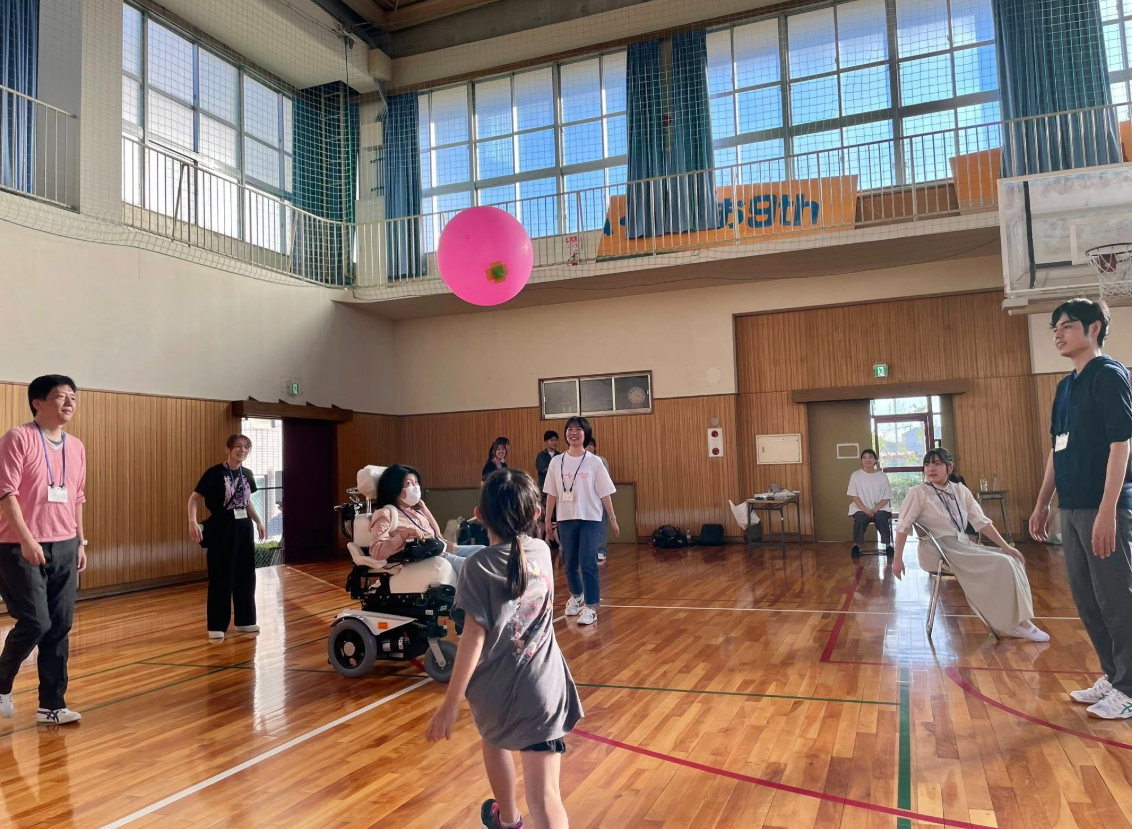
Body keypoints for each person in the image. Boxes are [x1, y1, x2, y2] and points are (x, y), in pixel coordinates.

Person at [426, 469, 582, 829]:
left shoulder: (477, 567)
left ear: (479, 516)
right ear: (536, 513)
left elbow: (472, 638)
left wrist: (450, 704)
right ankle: (508, 817)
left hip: (494, 692)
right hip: (544, 690)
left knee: (492, 738)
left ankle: (509, 819)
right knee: (545, 798)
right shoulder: (541, 551)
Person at [1031, 298, 1132, 720]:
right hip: (1071, 508)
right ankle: (1114, 675)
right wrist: (1043, 502)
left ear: (1094, 329)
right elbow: (1057, 449)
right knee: (1088, 599)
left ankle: (1129, 687)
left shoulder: (1109, 376)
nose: (1058, 333)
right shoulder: (1064, 387)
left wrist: (1108, 510)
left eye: (1068, 326)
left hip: (1103, 507)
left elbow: (1121, 444)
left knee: (1116, 598)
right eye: (1055, 327)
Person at [0, 375, 87, 725]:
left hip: (65, 543)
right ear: (38, 402)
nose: (69, 403)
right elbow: (6, 492)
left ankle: (52, 705)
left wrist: (80, 540)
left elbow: (77, 496)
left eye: (73, 398)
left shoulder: (76, 447)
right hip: (18, 545)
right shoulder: (18, 438)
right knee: (36, 621)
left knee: (60, 626)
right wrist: (26, 539)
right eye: (61, 397)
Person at [894, 447, 1048, 642]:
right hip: (937, 550)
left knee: (1012, 558)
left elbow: (981, 522)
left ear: (949, 467)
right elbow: (903, 527)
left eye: (937, 464)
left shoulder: (960, 490)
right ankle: (1019, 624)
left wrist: (1006, 546)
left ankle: (1017, 621)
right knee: (1002, 563)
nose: (931, 468)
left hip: (962, 545)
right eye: (927, 464)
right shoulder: (918, 493)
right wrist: (897, 559)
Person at [189, 434, 266, 642]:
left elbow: (246, 501)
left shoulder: (247, 473)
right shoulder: (214, 473)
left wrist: (258, 521)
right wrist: (192, 521)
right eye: (238, 446)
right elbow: (194, 498)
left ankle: (245, 620)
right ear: (228, 449)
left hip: (244, 528)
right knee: (221, 575)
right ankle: (217, 625)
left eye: (246, 447)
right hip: (222, 527)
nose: (242, 450)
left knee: (246, 574)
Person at [543, 417, 619, 626]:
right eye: (570, 429)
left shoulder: (594, 462)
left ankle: (591, 606)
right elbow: (551, 493)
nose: (573, 433)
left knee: (588, 562)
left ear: (586, 434)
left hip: (590, 519)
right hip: (566, 519)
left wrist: (613, 519)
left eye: (578, 429)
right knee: (568, 563)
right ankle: (576, 595)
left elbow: (605, 493)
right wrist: (548, 520)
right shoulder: (556, 462)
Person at [368, 464, 481, 573]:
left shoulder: (415, 509)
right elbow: (377, 552)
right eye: (409, 483)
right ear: (394, 489)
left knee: (484, 551)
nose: (415, 487)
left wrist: (424, 508)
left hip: (441, 548)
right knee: (476, 566)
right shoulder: (385, 513)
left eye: (416, 482)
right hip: (429, 557)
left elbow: (436, 534)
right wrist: (403, 535)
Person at [847, 449, 894, 557]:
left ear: (875, 460)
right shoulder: (855, 475)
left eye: (870, 457)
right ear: (861, 460)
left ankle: (888, 545)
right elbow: (854, 496)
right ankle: (856, 545)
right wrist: (867, 511)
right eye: (864, 457)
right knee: (860, 518)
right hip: (860, 508)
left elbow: (886, 497)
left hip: (880, 508)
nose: (867, 460)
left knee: (881, 517)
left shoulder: (882, 476)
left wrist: (874, 510)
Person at [584, 437, 611, 563]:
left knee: (601, 523)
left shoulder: (601, 460)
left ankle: (601, 550)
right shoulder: (580, 461)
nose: (589, 447)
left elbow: (605, 480)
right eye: (587, 445)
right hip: (585, 498)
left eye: (591, 445)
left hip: (600, 496)